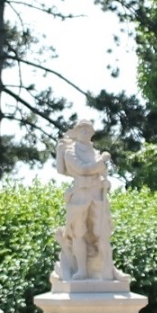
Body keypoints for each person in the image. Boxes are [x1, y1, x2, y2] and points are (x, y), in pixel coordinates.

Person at [55, 120, 127, 281]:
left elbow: (99, 172)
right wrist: (102, 161)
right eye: (82, 130)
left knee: (102, 233)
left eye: (88, 131)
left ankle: (109, 269)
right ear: (77, 132)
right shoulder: (71, 151)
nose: (86, 134)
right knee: (78, 232)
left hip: (97, 194)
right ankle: (81, 270)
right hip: (80, 195)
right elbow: (84, 169)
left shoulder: (94, 152)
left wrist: (105, 181)